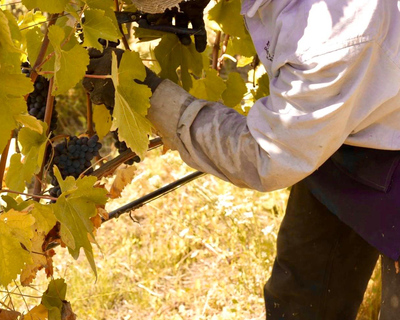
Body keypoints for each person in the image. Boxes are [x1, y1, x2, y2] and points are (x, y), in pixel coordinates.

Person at [83, 0, 400, 318]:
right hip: (334, 128)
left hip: (387, 150)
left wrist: (153, 96)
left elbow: (267, 155)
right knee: (301, 299)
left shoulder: (332, 34)